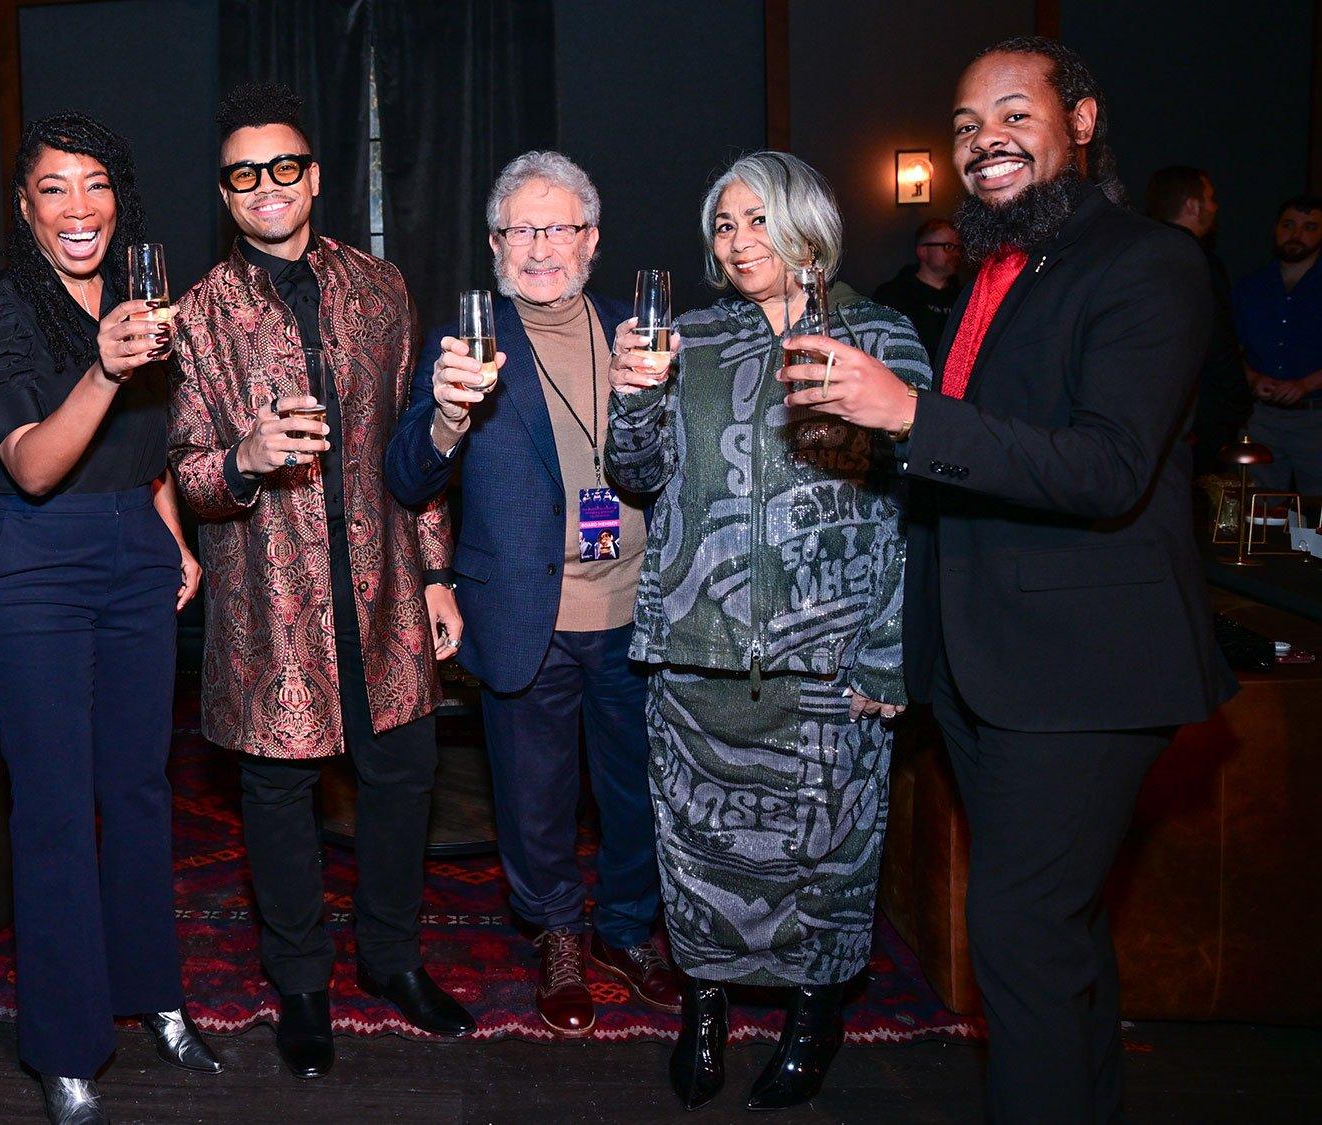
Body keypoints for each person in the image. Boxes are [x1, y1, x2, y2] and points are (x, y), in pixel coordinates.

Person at [779, 38, 1233, 1122]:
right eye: (966, 126)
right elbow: (984, 456)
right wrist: (888, 441)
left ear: (1080, 121)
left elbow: (1107, 467)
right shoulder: (1004, 271)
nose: (984, 140)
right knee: (1056, 933)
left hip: (1082, 674)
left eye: (1013, 115)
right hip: (992, 670)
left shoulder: (1147, 262)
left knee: (1017, 935)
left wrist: (910, 415)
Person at [605, 150, 928, 1112]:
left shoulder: (881, 335)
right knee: (696, 854)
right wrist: (634, 398)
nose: (738, 242)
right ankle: (703, 1014)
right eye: (724, 224)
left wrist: (886, 651)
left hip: (829, 658)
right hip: (697, 649)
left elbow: (912, 508)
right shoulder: (688, 337)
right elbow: (636, 475)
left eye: (757, 220)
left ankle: (811, 1023)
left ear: (806, 225)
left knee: (829, 858)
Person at [168, 81, 475, 1081]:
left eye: (284, 166)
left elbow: (415, 451)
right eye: (243, 174)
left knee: (404, 775)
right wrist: (243, 459)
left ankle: (390, 958)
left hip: (385, 583)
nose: (266, 185)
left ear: (313, 178)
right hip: (268, 596)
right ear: (224, 193)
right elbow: (186, 475)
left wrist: (437, 573)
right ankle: (299, 983)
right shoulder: (197, 317)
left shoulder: (380, 289)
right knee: (276, 792)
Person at [0, 112, 215, 1125]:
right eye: (52, 187)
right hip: (28, 563)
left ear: (120, 200)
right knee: (57, 806)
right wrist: (104, 368)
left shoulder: (141, 300)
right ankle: (65, 1049)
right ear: (25, 209)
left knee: (140, 788)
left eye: (94, 183)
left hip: (130, 551)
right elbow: (30, 464)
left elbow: (147, 451)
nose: (77, 206)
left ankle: (151, 990)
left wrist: (171, 536)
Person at [385, 150, 668, 1040]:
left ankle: (626, 928)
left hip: (636, 614)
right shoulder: (465, 348)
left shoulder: (639, 333)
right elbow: (406, 477)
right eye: (520, 230)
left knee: (636, 791)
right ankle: (557, 935)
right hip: (522, 615)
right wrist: (445, 415)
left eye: (558, 228)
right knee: (535, 797)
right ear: (495, 245)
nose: (539, 247)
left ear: (591, 238)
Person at [1145, 166, 1249, 474]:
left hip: (1150, 410)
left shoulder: (1138, 256)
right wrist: (1238, 403)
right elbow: (1216, 342)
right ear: (1192, 205)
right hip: (1200, 415)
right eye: (1211, 198)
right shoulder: (1198, 261)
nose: (1215, 207)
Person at [1233, 194, 1322, 491]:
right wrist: (1253, 378)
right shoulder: (1251, 286)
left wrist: (1305, 384)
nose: (1297, 235)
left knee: (1317, 508)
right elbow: (1231, 349)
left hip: (1315, 416)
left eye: (1310, 227)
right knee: (1256, 503)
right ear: (1275, 228)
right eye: (1289, 225)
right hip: (1262, 417)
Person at [871, 218, 963, 351]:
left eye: (958, 248)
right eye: (948, 247)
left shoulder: (964, 297)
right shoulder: (893, 295)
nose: (956, 254)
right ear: (923, 251)